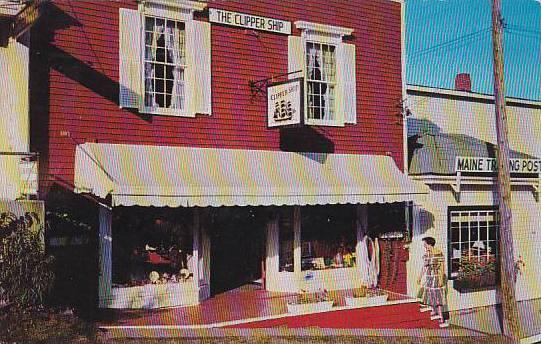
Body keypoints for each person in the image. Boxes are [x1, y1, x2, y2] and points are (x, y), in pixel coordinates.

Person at [417, 236, 449, 328]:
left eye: (425, 244)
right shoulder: (427, 254)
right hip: (429, 278)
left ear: (429, 244)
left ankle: (441, 318)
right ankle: (434, 312)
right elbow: (424, 266)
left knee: (438, 298)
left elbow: (442, 267)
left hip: (436, 278)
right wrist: (420, 276)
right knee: (430, 296)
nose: (424, 245)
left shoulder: (438, 253)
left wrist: (441, 279)